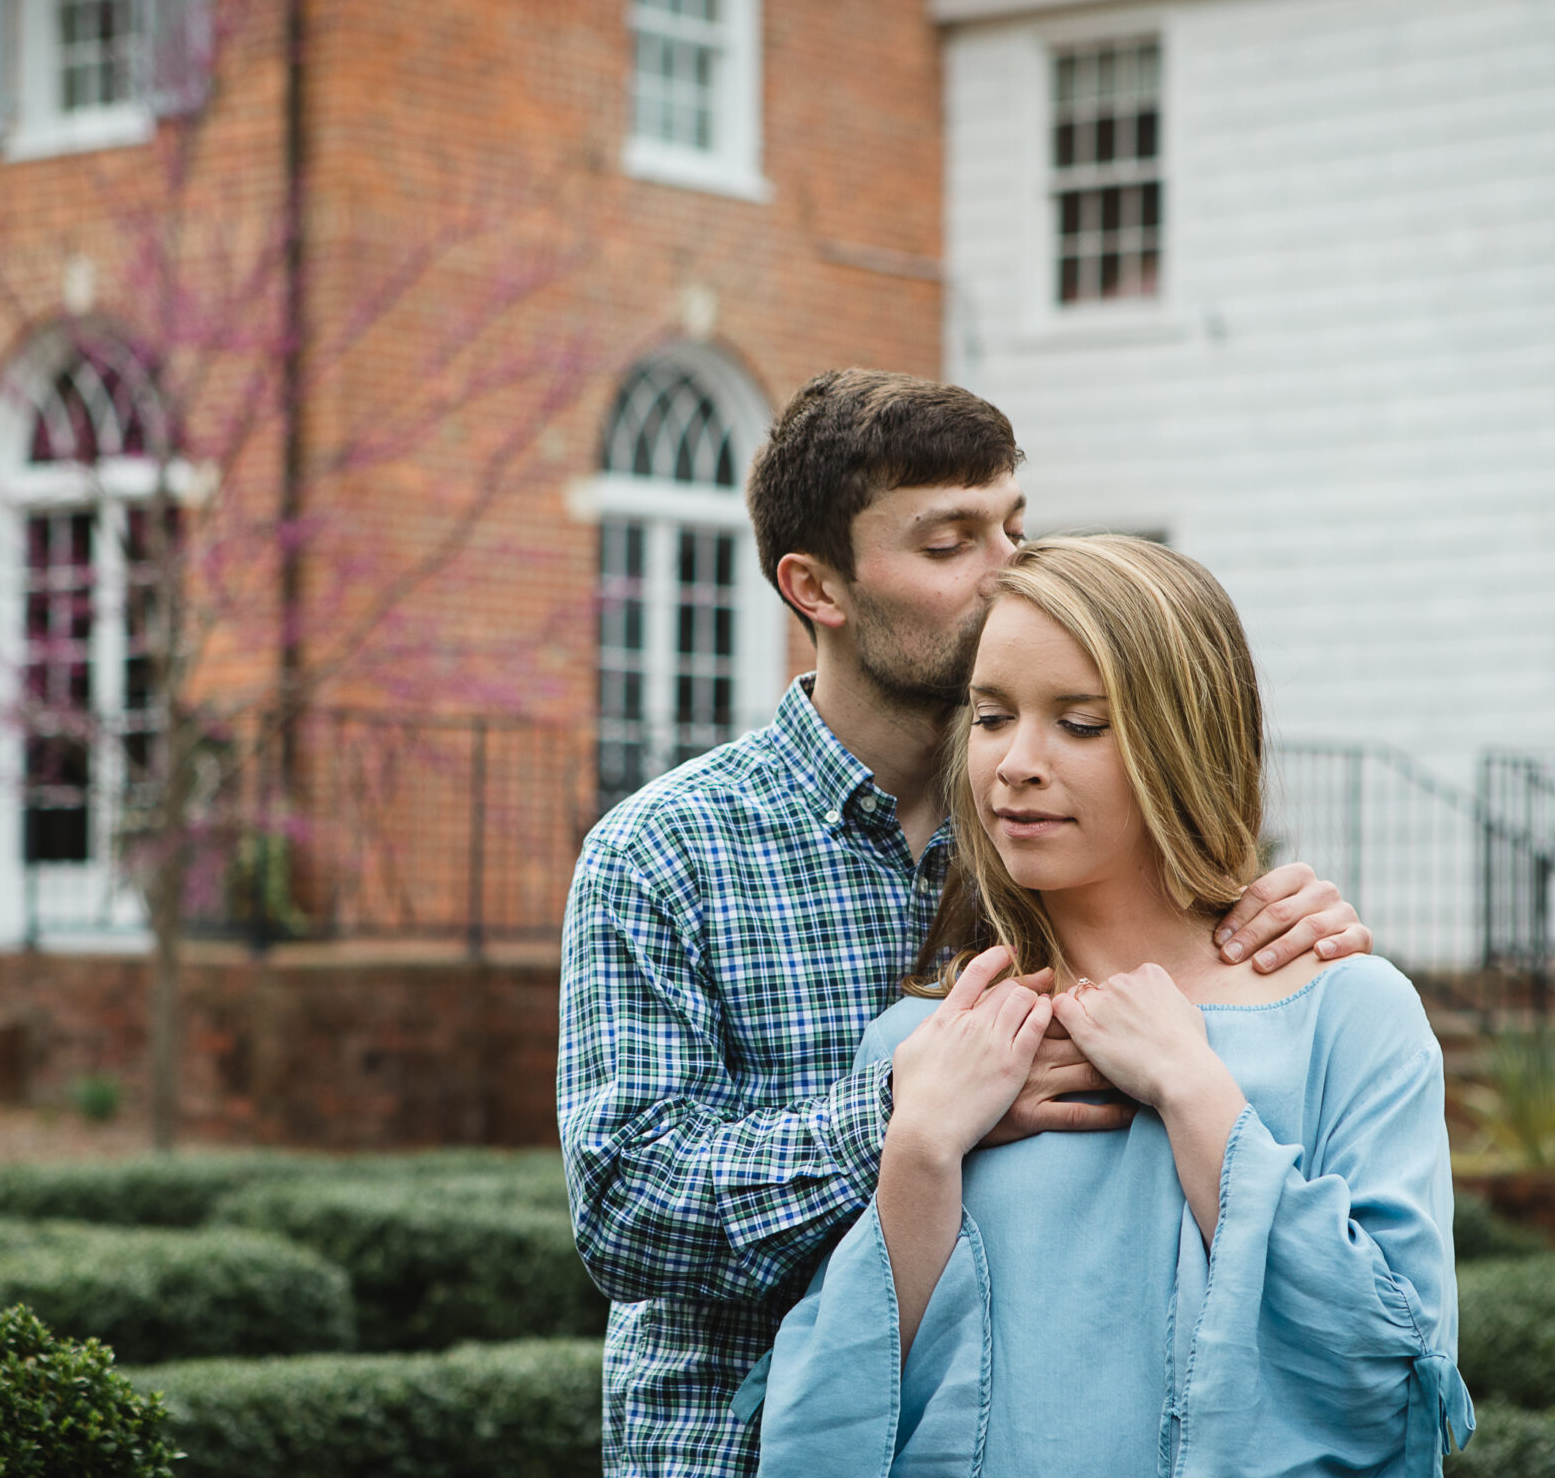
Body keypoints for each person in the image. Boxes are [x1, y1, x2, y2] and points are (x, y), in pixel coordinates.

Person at [557, 371, 1376, 1478]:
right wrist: (911, 1116)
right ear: (817, 589)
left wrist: (1271, 917)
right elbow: (623, 1208)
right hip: (733, 1453)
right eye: (949, 544)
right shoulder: (664, 852)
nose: (1010, 576)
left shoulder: (1054, 829)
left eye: (1013, 528)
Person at [754, 534, 1472, 1477]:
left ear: (1184, 741)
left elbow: (1393, 1383)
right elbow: (829, 1431)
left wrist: (1194, 1093)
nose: (1016, 763)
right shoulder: (925, 1046)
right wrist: (921, 1150)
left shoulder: (1348, 1015)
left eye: (1080, 724)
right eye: (992, 716)